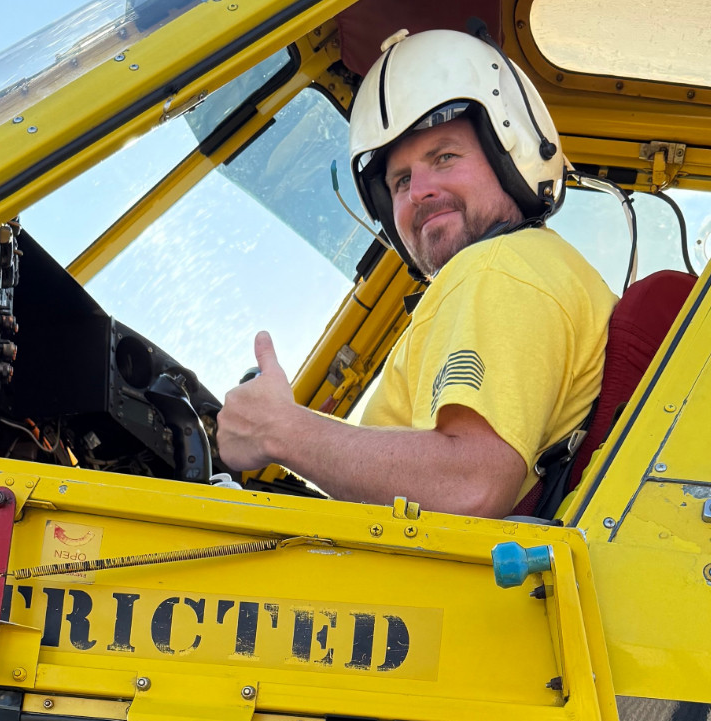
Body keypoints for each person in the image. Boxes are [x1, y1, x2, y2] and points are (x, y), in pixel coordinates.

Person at [216, 27, 617, 518]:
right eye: (401, 181)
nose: (419, 191)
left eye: (444, 157)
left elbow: (470, 488)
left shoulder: (498, 268)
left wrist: (280, 431)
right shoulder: (530, 269)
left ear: (508, 157)